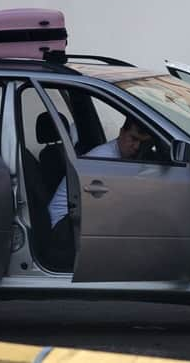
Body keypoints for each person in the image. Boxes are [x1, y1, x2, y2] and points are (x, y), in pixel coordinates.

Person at [46, 116, 152, 270]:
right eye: (133, 138)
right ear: (121, 132)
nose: (136, 147)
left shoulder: (120, 155)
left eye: (143, 143)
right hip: (63, 225)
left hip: (76, 216)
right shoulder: (105, 158)